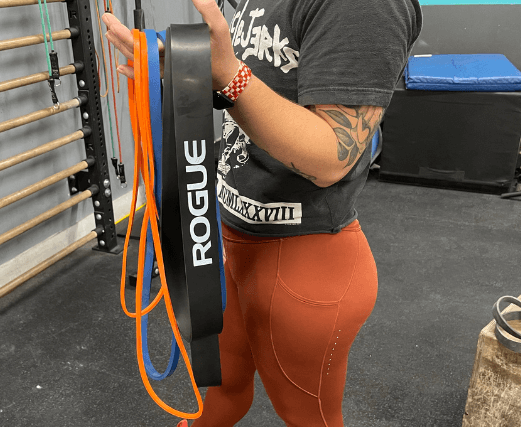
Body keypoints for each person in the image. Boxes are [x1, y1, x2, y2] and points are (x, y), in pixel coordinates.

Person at [102, 0, 422, 425]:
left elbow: (332, 156)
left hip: (303, 258)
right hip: (227, 236)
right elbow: (265, 80)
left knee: (310, 418)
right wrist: (189, 69)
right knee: (221, 391)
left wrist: (229, 77)